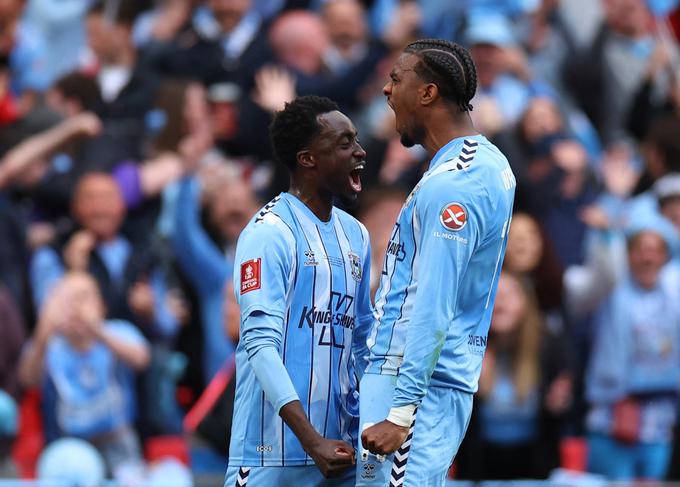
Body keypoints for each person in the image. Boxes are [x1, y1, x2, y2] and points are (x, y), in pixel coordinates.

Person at [358, 39, 516, 486]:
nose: (387, 92)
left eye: (395, 79)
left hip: (414, 389)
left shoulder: (455, 183)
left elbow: (434, 302)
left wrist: (401, 412)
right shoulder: (485, 165)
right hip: (425, 383)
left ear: (427, 93)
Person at [225, 95, 373, 486]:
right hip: (270, 456)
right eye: (344, 144)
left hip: (340, 456)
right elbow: (259, 344)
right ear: (308, 159)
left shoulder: (356, 235)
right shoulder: (268, 233)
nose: (360, 151)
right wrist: (311, 441)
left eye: (356, 140)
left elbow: (362, 341)